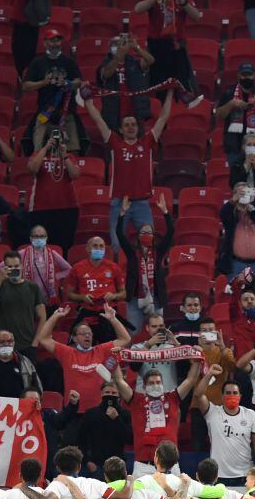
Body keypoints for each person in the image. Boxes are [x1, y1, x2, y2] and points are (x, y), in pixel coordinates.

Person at [82, 89, 173, 249]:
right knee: (116, 247)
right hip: (118, 203)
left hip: (142, 204)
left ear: (138, 128)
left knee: (148, 245)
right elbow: (98, 120)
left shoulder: (147, 142)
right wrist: (88, 101)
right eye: (127, 125)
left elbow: (163, 117)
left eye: (133, 125)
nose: (130, 127)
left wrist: (170, 91)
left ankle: (146, 273)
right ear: (121, 129)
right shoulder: (115, 142)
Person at [34, 304, 131, 412]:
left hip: (97, 411)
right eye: (83, 334)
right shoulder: (67, 352)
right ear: (74, 338)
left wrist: (113, 319)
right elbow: (43, 339)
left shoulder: (101, 350)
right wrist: (55, 316)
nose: (87, 336)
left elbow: (125, 339)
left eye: (89, 334)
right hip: (73, 411)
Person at [133, 0, 202, 101]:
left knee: (181, 85)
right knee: (158, 86)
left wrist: (183, 2)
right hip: (157, 46)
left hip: (176, 46)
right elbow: (138, 8)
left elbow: (196, 16)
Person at [118, 195, 175, 331]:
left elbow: (171, 231)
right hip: (135, 299)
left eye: (149, 232)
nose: (146, 234)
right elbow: (119, 234)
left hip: (155, 298)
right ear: (138, 236)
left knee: (159, 333)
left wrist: (165, 212)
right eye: (143, 232)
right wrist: (122, 213)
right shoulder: (132, 253)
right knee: (132, 333)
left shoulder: (158, 251)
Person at [22, 28, 84, 152]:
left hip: (66, 112)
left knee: (73, 149)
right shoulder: (38, 62)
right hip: (45, 113)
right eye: (52, 41)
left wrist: (68, 83)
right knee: (38, 148)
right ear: (45, 43)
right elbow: (25, 86)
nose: (55, 44)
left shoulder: (69, 61)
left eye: (57, 41)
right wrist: (43, 82)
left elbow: (79, 82)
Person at [25, 127, 81, 254]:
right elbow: (33, 169)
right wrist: (45, 148)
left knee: (64, 246)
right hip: (41, 208)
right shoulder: (38, 154)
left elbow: (75, 175)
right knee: (41, 246)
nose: (56, 140)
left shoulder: (69, 156)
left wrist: (64, 155)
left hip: (67, 207)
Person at [64, 237, 127, 343]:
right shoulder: (77, 268)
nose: (99, 248)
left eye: (101, 246)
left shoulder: (113, 267)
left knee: (110, 349)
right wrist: (82, 297)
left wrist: (113, 296)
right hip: (87, 314)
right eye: (95, 246)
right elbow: (69, 294)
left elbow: (124, 293)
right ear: (88, 249)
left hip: (108, 314)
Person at [0, 251, 47, 355]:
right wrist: (0, 278)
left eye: (16, 266)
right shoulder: (0, 285)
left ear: (22, 266)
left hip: (28, 344)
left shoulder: (32, 287)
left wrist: (35, 342)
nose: (14, 269)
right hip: (4, 344)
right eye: (9, 266)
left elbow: (43, 317)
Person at [216, 63, 255, 165]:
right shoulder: (228, 94)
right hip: (235, 146)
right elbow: (219, 116)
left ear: (254, 76)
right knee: (237, 179)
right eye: (243, 75)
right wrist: (231, 104)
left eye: (249, 75)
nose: (246, 78)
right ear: (239, 76)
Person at [97, 33, 155, 132]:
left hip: (135, 110)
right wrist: (119, 56)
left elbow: (150, 61)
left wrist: (136, 47)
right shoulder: (106, 63)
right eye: (115, 44)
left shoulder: (134, 62)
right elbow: (106, 74)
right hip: (114, 112)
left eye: (121, 43)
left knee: (138, 143)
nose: (119, 46)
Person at [76, 382, 134, 475]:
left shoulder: (125, 414)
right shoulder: (91, 413)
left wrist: (117, 419)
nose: (110, 395)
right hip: (96, 465)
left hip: (118, 465)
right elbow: (81, 440)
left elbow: (130, 439)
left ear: (119, 396)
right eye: (107, 392)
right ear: (101, 394)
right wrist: (87, 462)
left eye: (114, 393)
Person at [0, 328, 43, 398]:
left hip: (19, 406)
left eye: (10, 341)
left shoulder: (26, 362)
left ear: (14, 343)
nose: (6, 344)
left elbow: (37, 388)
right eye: (1, 342)